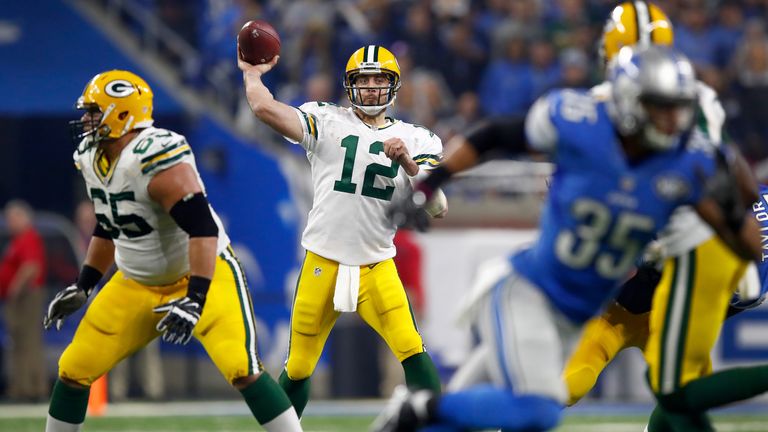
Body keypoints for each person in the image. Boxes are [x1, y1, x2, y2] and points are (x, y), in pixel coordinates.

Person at [371, 45, 761, 432]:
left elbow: (747, 241)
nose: (671, 120)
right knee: (539, 410)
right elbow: (496, 134)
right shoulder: (582, 127)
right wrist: (430, 184)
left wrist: (733, 197)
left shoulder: (685, 165)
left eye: (676, 107)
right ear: (629, 103)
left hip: (575, 316)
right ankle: (416, 406)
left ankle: (416, 416)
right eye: (660, 108)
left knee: (465, 418)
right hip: (529, 294)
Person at [42, 70, 301, 432]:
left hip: (200, 274)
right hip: (135, 280)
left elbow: (202, 228)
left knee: (243, 370)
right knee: (73, 369)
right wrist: (84, 284)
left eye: (94, 112)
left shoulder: (155, 156)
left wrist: (195, 298)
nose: (86, 121)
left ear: (121, 115)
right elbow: (109, 224)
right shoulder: (91, 156)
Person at [557, 4, 768, 430]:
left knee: (679, 403)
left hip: (663, 306)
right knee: (573, 385)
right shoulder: (702, 187)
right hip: (625, 307)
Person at [238, 44, 446, 417]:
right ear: (349, 85)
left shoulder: (419, 139)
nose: (369, 87)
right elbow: (264, 108)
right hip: (323, 261)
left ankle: (439, 427)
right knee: (299, 366)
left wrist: (408, 163)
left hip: (376, 264)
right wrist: (252, 75)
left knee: (411, 349)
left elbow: (438, 205)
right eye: (362, 80)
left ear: (393, 85)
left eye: (377, 79)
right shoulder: (326, 120)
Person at [0, 199, 48, 401]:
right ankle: (20, 387)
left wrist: (14, 289)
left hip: (26, 296)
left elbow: (30, 268)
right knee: (19, 343)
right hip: (20, 297)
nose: (9, 223)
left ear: (23, 218)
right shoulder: (18, 240)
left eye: (12, 218)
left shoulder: (29, 238)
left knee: (28, 342)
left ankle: (32, 389)